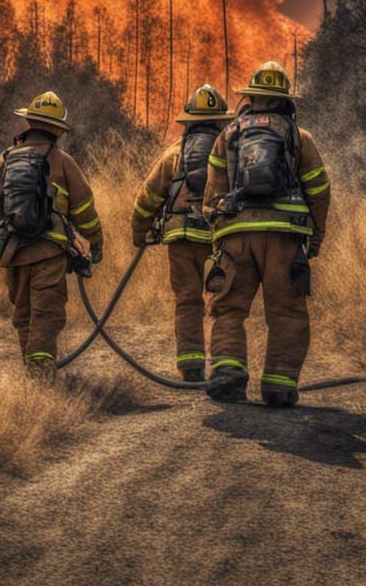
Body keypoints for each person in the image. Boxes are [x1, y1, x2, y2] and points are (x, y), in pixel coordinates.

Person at [202, 62, 331, 405]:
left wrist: (219, 231)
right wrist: (315, 237)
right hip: (284, 236)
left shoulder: (227, 135)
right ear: (284, 101)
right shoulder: (299, 137)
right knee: (287, 311)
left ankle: (229, 372)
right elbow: (319, 190)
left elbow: (212, 195)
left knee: (227, 307)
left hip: (237, 237)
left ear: (252, 98)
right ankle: (278, 384)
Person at [0, 91, 103, 379]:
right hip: (49, 253)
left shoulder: (7, 157)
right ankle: (41, 374)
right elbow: (84, 208)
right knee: (46, 314)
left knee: (24, 315)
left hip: (15, 253)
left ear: (30, 122)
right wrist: (95, 241)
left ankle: (33, 375)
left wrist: (8, 221)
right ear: (58, 129)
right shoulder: (62, 160)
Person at [131, 85, 236, 381]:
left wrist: (140, 233)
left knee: (188, 300)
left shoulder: (174, 155)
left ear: (188, 121)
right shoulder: (230, 152)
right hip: (220, 237)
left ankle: (190, 366)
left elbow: (147, 198)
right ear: (220, 122)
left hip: (181, 236)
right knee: (222, 300)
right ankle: (226, 366)